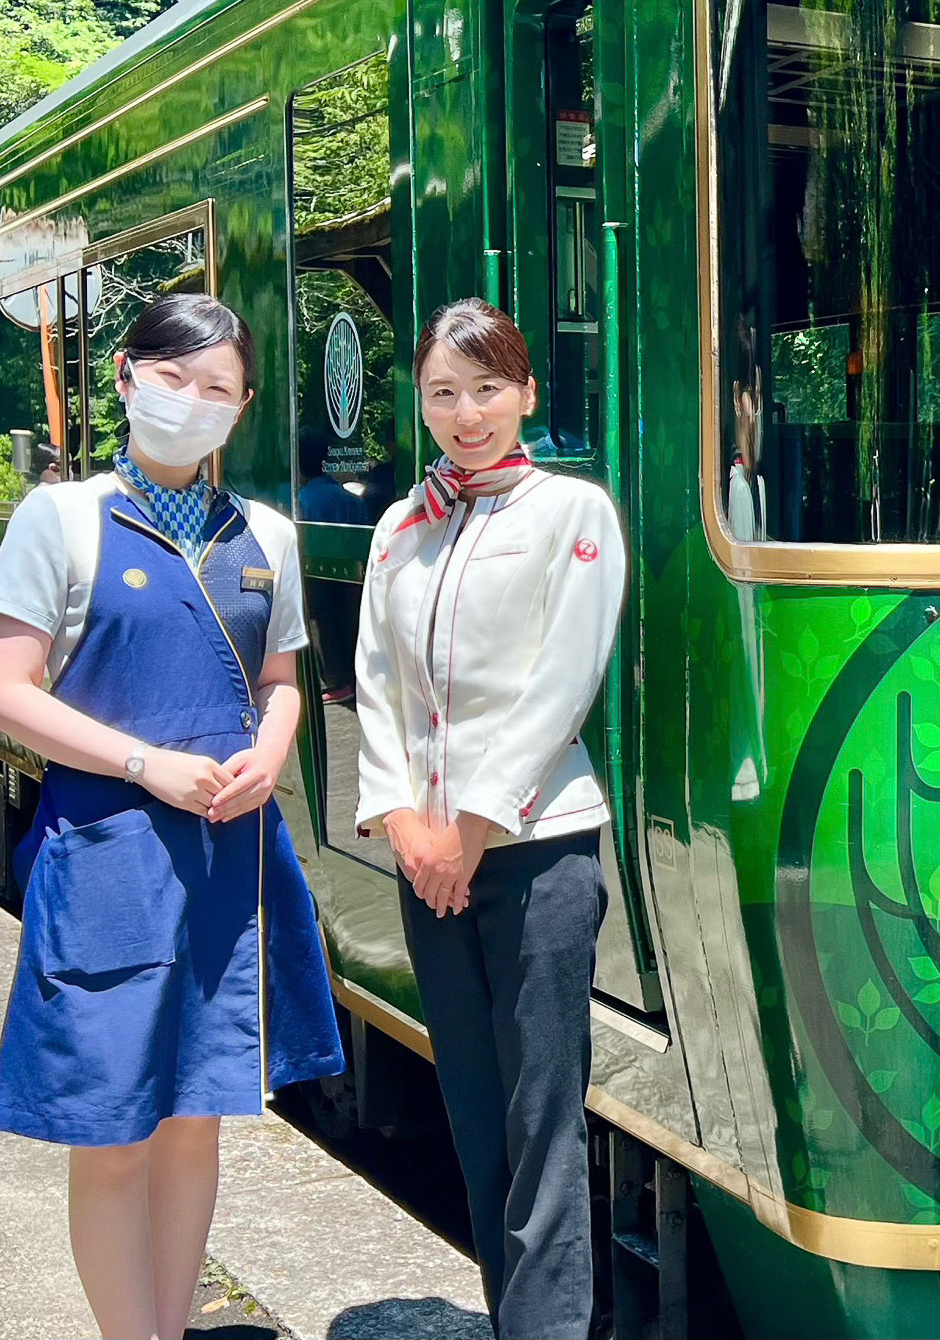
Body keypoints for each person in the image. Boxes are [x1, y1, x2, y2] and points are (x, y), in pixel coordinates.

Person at [0, 293, 343, 1340]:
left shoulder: (264, 533)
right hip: (109, 858)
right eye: (173, 377)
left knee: (194, 1119)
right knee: (113, 1132)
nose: (192, 400)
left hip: (229, 853)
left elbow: (279, 680)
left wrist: (270, 754)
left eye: (217, 387)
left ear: (243, 406)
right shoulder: (61, 517)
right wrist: (147, 764)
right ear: (127, 376)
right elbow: (4, 687)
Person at [354, 298, 625, 1340]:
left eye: (486, 388)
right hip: (426, 860)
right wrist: (404, 823)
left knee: (541, 1119)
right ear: (420, 401)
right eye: (443, 392)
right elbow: (376, 683)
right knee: (474, 1112)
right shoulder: (402, 525)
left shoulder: (571, 512)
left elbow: (562, 683)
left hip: (537, 850)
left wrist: (467, 831)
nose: (466, 413)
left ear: (525, 394)